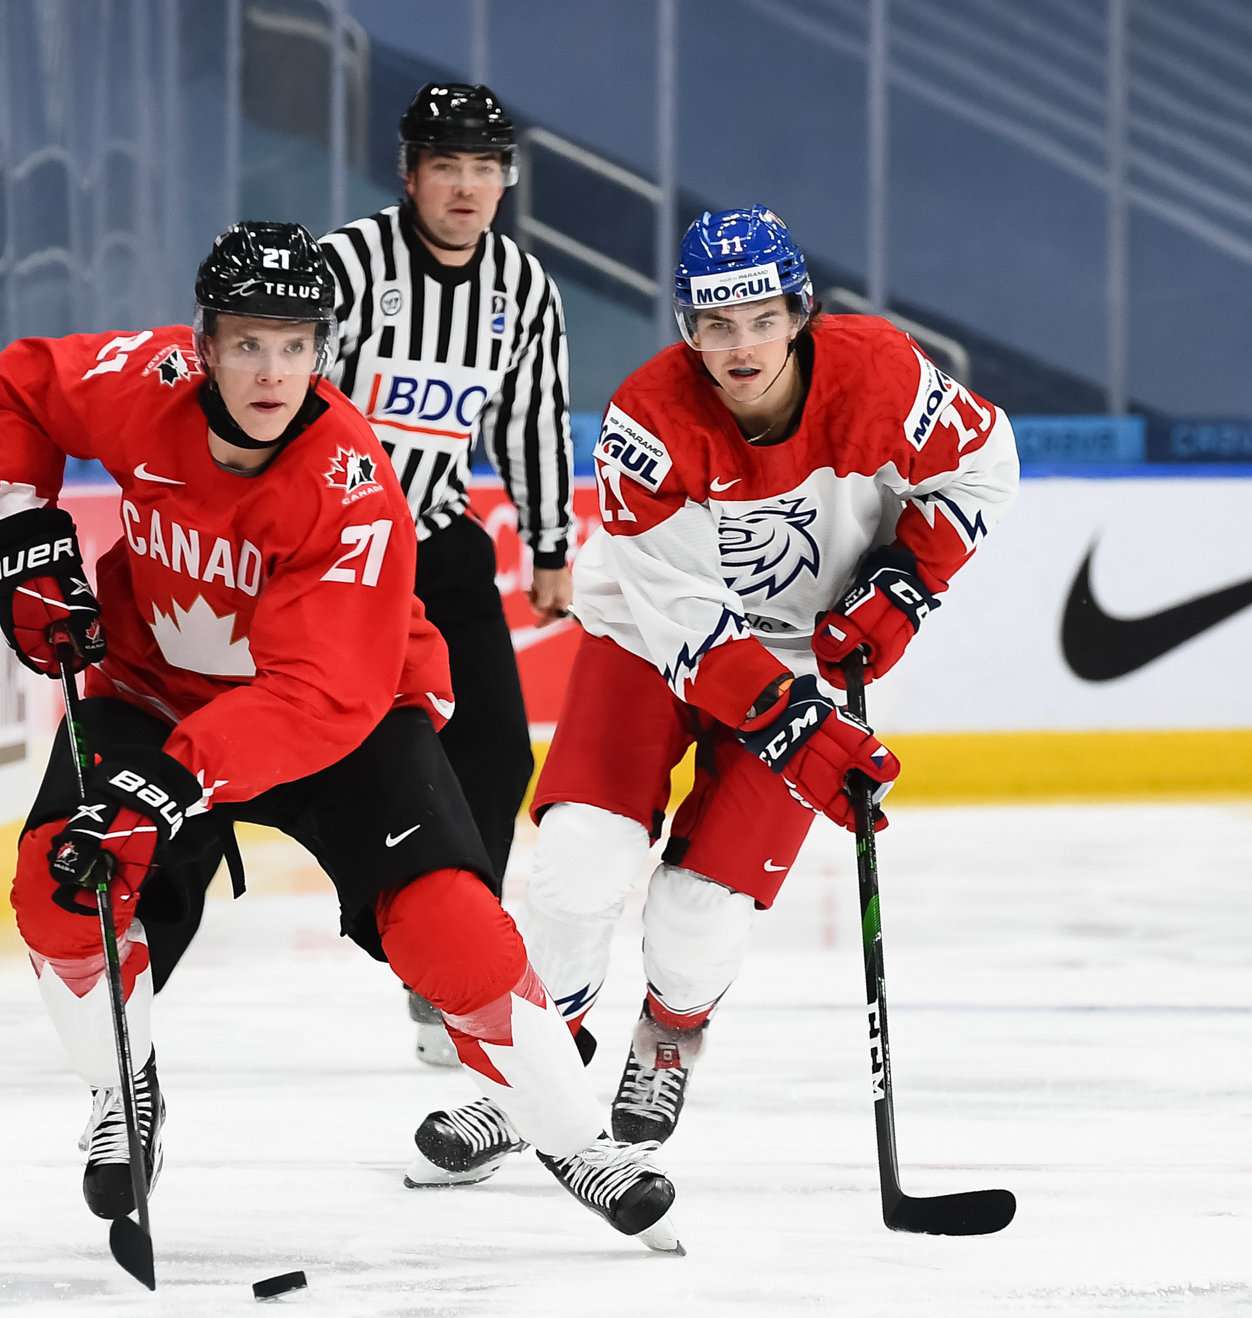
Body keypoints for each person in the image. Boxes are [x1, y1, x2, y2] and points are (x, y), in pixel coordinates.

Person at [0, 221, 679, 1249]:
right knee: (58, 883)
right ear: (203, 343)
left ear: (324, 351)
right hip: (149, 691)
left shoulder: (350, 492)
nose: (272, 371)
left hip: (339, 719)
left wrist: (168, 789)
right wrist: (18, 531)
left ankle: (573, 1137)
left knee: (451, 926)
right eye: (249, 343)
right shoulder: (142, 382)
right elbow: (21, 385)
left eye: (296, 344)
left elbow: (316, 697)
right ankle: (120, 1088)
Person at [404, 205, 1019, 1186]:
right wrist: (804, 735)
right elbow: (687, 625)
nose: (739, 346)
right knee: (574, 866)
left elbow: (979, 466)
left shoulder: (880, 375)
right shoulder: (647, 419)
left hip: (804, 655)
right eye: (713, 323)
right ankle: (532, 1076)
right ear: (687, 327)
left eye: (759, 319)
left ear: (799, 312)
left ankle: (669, 1029)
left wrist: (909, 577)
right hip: (651, 640)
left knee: (693, 916)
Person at [320, 83, 573, 1066]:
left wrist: (549, 545)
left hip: (441, 542)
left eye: (484, 167)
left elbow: (528, 419)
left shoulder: (522, 288)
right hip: (338, 553)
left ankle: (451, 968)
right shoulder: (344, 266)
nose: (466, 187)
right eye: (446, 166)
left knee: (500, 755)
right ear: (408, 174)